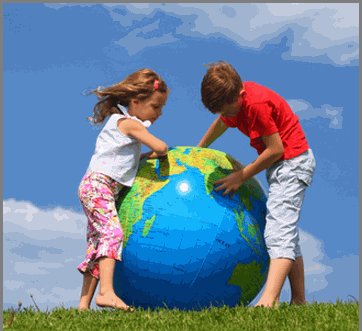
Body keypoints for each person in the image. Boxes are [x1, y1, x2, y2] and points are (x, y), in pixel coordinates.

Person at [197, 61, 316, 307]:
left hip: (293, 164)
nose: (229, 116)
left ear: (240, 95)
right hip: (283, 166)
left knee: (278, 233)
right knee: (287, 234)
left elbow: (275, 149)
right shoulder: (234, 105)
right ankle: (299, 301)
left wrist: (242, 176)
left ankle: (268, 302)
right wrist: (200, 148)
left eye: (229, 111)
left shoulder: (257, 105)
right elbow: (221, 122)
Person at [77, 69, 169, 311]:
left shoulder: (122, 123)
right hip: (100, 186)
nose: (158, 114)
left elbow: (127, 159)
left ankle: (83, 305)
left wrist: (145, 155)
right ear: (135, 102)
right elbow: (161, 146)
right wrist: (159, 151)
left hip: (94, 186)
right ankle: (106, 292)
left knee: (98, 245)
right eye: (156, 106)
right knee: (112, 235)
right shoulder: (129, 123)